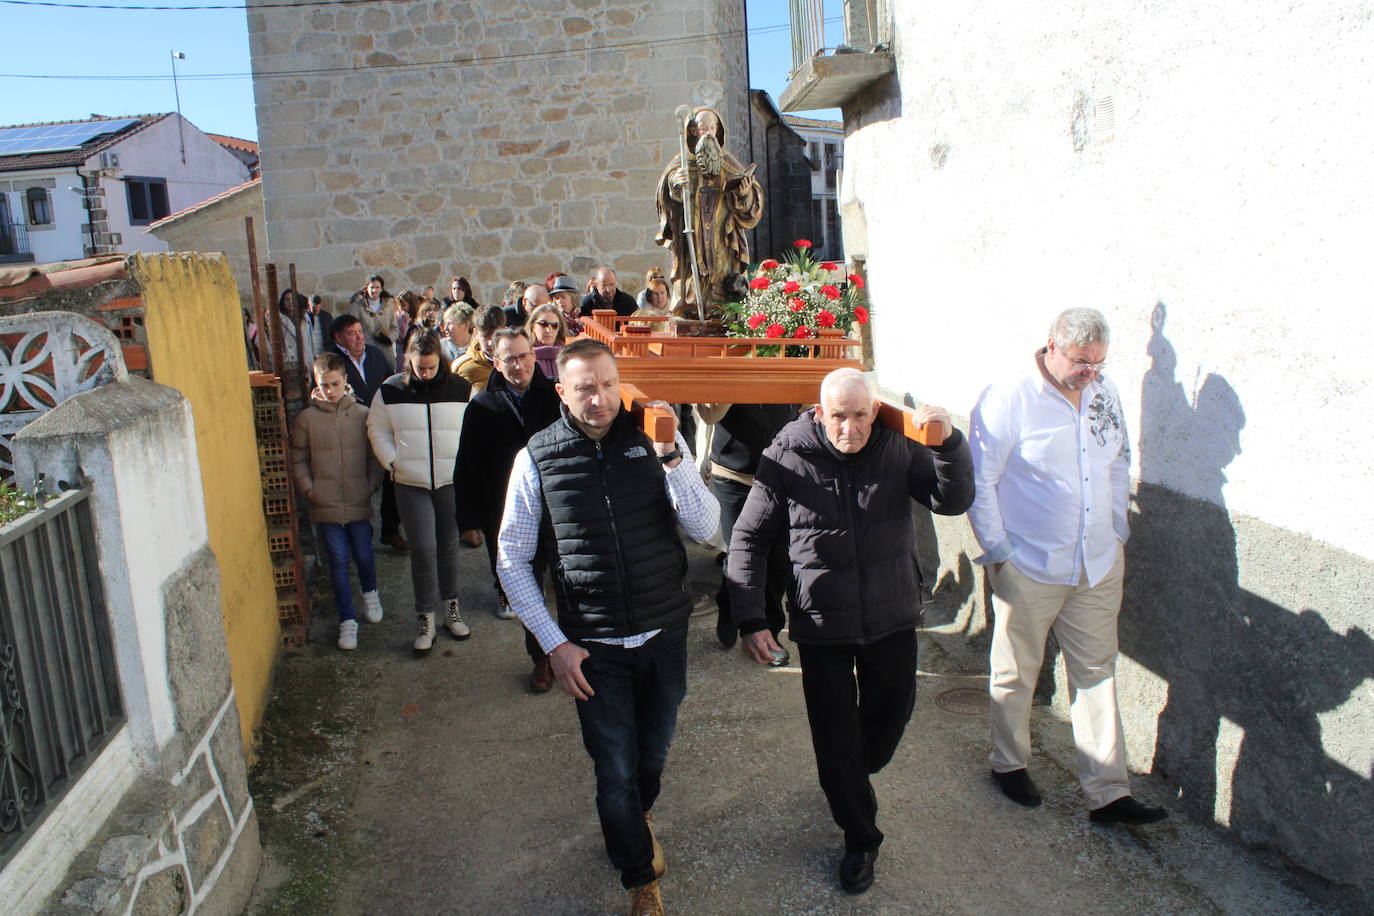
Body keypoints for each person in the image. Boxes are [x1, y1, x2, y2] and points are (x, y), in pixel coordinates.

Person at [727, 368, 974, 894]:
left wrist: (950, 446)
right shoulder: (787, 455)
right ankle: (861, 836)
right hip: (822, 626)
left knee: (884, 727)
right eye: (838, 416)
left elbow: (951, 501)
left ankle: (850, 776)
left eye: (860, 415)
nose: (850, 428)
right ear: (819, 413)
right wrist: (753, 617)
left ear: (874, 411)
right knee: (837, 742)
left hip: (891, 616)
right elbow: (748, 538)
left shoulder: (897, 445)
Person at [496, 338, 718, 915]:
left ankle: (635, 820)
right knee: (614, 767)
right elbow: (512, 559)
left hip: (664, 635)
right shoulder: (535, 458)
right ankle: (639, 877)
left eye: (608, 384)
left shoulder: (657, 439)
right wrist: (555, 645)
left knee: (652, 756)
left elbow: (706, 528)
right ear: (561, 393)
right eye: (585, 388)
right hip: (592, 649)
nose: (600, 398)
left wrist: (672, 458)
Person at [968, 308, 1168, 826]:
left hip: (1098, 561)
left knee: (1097, 672)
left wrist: (1118, 526)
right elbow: (980, 480)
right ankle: (1008, 763)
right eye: (1081, 362)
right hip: (1029, 563)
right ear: (1051, 345)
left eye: (1098, 363)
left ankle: (1108, 792)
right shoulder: (1009, 397)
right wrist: (999, 553)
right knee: (1017, 670)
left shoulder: (1104, 391)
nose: (1090, 372)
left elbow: (1119, 457)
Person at [456, 328, 562, 690]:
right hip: (507, 514)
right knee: (526, 590)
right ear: (497, 364)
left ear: (534, 355)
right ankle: (542, 658)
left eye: (523, 356)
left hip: (556, 508)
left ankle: (576, 650)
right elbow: (467, 464)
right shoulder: (482, 407)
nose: (518, 365)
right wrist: (468, 519)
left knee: (568, 585)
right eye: (509, 359)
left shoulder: (557, 399)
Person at [367, 331, 474, 655]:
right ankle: (425, 616)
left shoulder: (460, 388)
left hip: (450, 480)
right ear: (408, 362)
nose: (425, 373)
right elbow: (377, 427)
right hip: (410, 482)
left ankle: (451, 609)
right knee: (423, 549)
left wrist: (467, 466)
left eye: (429, 367)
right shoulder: (390, 389)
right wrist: (392, 461)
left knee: (448, 547)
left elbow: (472, 428)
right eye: (419, 367)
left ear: (439, 361)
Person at [290, 352, 384, 650]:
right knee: (338, 560)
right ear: (315, 384)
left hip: (357, 498)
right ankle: (347, 620)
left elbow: (374, 456)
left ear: (346, 381)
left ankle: (370, 593)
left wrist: (371, 484)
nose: (330, 390)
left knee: (364, 554)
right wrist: (309, 489)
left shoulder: (361, 414)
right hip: (325, 503)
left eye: (335, 383)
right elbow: (299, 458)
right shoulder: (307, 419)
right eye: (324, 385)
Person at [696, 402, 796, 653]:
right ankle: (731, 608)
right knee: (739, 554)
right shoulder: (726, 362)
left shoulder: (789, 361)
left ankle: (770, 631)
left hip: (781, 477)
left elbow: (806, 408)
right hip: (733, 476)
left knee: (778, 561)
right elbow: (709, 415)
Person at [655, 107, 764, 316]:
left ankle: (722, 312)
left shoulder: (728, 163)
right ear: (693, 131)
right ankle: (689, 310)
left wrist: (744, 193)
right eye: (703, 128)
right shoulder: (682, 163)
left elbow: (752, 202)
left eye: (713, 128)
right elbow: (666, 193)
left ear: (718, 131)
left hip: (721, 238)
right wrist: (675, 186)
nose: (708, 133)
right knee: (691, 286)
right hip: (691, 237)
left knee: (723, 284)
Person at [331, 314, 407, 553]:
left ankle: (391, 531)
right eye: (352, 333)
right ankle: (362, 529)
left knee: (390, 476)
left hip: (381, 427)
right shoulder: (333, 362)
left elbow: (389, 384)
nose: (359, 337)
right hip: (350, 430)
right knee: (358, 480)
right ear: (339, 337)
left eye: (360, 332)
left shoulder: (374, 354)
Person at [453, 304, 505, 393]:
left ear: (504, 330)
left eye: (495, 336)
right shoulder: (462, 368)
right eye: (485, 336)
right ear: (476, 332)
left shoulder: (516, 360)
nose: (490, 342)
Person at [348, 274, 399, 365]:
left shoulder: (389, 306)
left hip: (386, 352)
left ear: (381, 289)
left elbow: (395, 328)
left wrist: (389, 339)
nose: (374, 290)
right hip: (366, 351)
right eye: (372, 287)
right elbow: (352, 329)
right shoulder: (357, 306)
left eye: (377, 287)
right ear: (366, 288)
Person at [525, 303, 568, 380]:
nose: (548, 330)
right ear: (533, 326)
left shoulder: (568, 354)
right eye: (543, 324)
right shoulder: (524, 355)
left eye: (555, 325)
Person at [300, 294, 333, 367]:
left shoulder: (326, 316)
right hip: (312, 354)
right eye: (313, 307)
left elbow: (332, 334)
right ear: (309, 305)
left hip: (325, 352)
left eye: (317, 307)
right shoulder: (306, 317)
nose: (316, 310)